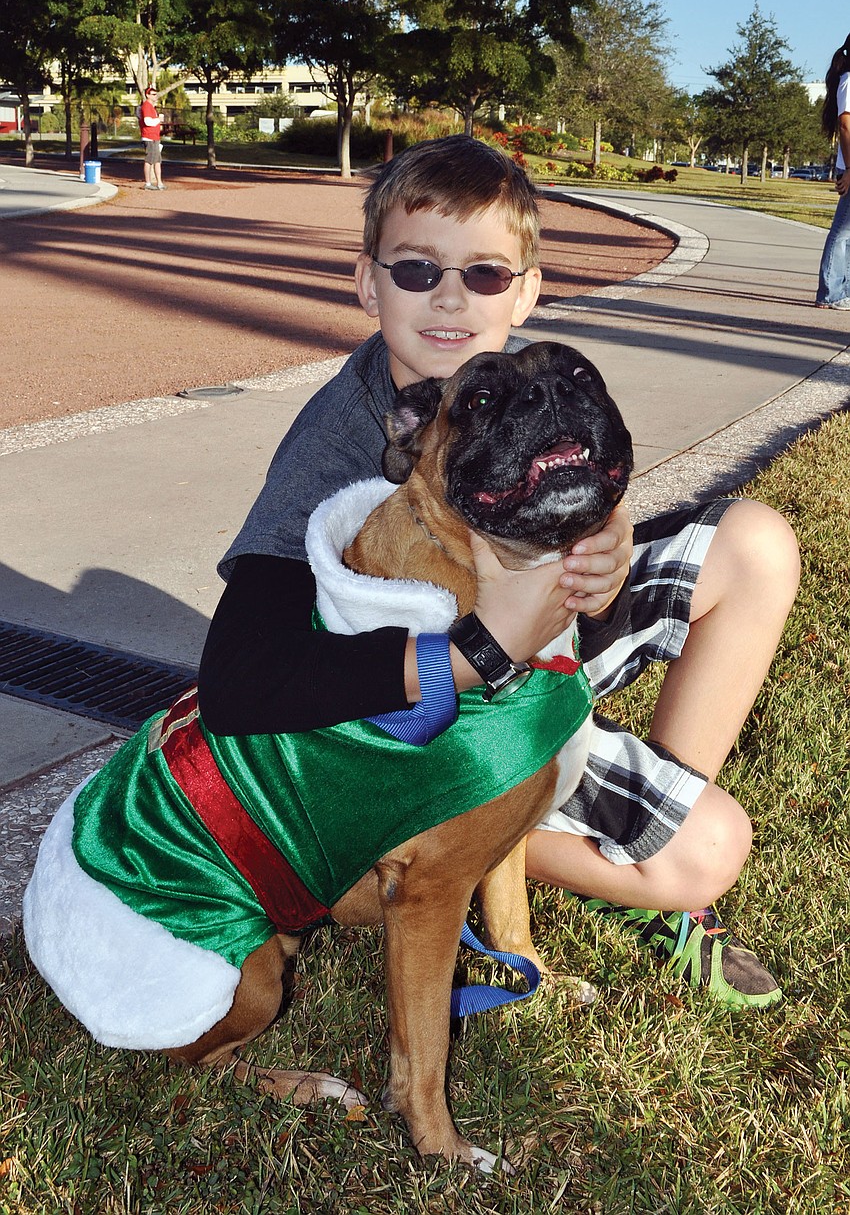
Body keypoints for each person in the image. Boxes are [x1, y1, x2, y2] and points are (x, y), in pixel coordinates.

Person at [198, 135, 800, 1009]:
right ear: (368, 282)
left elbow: (574, 479)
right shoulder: (335, 443)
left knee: (755, 544)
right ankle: (470, 842)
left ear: (527, 290)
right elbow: (238, 682)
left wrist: (607, 536)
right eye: (416, 271)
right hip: (426, 723)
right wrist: (470, 655)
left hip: (533, 651)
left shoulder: (521, 385)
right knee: (706, 850)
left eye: (485, 274)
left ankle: (635, 824)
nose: (451, 297)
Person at [817, 33, 850, 308]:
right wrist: (849, 169)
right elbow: (845, 126)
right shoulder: (849, 82)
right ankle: (830, 293)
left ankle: (843, 291)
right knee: (841, 231)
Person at [139, 85, 165, 191]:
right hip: (149, 137)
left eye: (156, 94)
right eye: (153, 94)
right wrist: (158, 119)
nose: (156, 96)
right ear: (147, 95)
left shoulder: (152, 107)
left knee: (157, 160)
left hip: (155, 137)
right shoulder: (146, 106)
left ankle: (159, 183)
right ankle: (148, 183)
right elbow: (148, 122)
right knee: (149, 160)